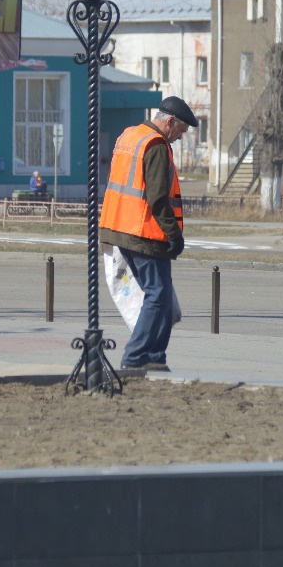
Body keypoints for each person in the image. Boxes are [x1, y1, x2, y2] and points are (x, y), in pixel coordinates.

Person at [99, 95, 197, 373]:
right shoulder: (156, 146)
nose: (179, 138)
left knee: (160, 295)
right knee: (157, 294)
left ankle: (154, 354)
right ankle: (137, 355)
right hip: (143, 233)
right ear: (169, 122)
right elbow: (157, 199)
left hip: (120, 226)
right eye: (180, 132)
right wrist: (174, 234)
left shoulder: (130, 136)